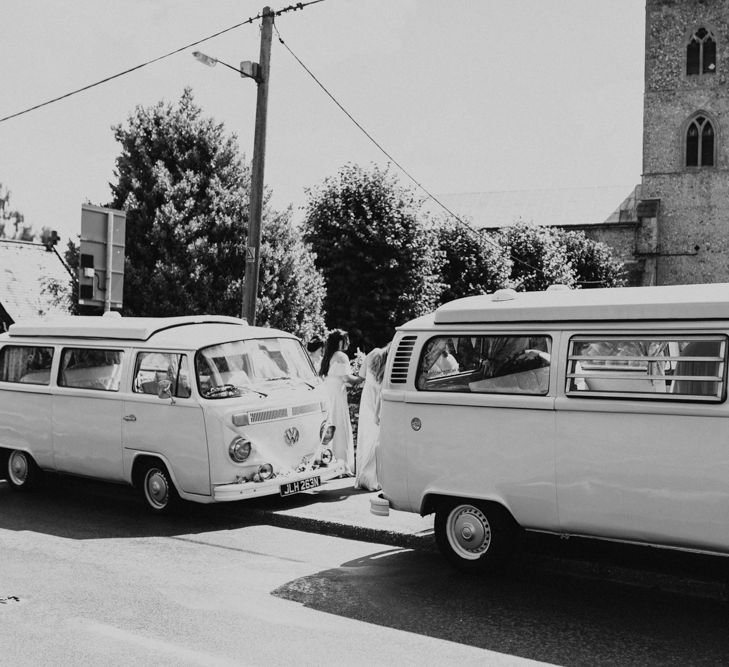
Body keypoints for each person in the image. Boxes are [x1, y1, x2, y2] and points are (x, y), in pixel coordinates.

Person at [319, 329, 363, 475]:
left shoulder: (329, 355)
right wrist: (363, 377)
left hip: (328, 391)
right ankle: (341, 463)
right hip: (337, 393)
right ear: (340, 342)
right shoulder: (341, 356)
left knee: (330, 423)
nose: (349, 343)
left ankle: (328, 458)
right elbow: (347, 379)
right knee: (339, 424)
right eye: (346, 340)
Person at [355, 344, 390, 491]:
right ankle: (371, 479)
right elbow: (382, 391)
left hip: (367, 399)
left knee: (365, 437)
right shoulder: (389, 362)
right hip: (377, 402)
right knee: (375, 439)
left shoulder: (372, 354)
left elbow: (361, 375)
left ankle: (362, 477)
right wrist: (377, 414)